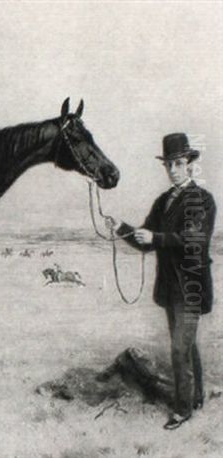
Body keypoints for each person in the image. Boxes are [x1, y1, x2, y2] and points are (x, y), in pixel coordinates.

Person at [107, 133, 216, 430]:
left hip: (191, 286)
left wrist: (156, 237)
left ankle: (183, 410)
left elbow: (194, 241)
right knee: (186, 344)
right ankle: (194, 398)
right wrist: (122, 229)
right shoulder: (162, 202)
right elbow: (146, 241)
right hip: (170, 287)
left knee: (181, 348)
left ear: (191, 164)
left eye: (179, 163)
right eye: (169, 165)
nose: (173, 170)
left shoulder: (201, 200)